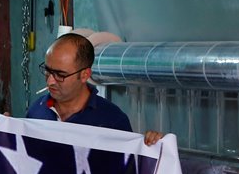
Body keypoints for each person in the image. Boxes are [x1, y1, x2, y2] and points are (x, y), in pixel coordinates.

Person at [26, 33, 163, 145]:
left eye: (60, 75)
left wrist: (152, 146)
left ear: (85, 75)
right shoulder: (37, 111)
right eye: (47, 71)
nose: (50, 81)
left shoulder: (112, 121)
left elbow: (129, 171)